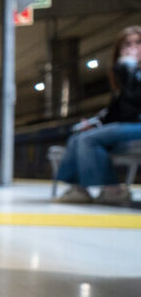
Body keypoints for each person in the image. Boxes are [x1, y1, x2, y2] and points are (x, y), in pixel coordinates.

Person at [54, 26, 141, 204]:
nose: (133, 48)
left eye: (138, 43)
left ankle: (112, 190)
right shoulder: (125, 75)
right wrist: (97, 124)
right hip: (129, 126)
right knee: (80, 136)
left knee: (88, 140)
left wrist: (128, 70)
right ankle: (78, 189)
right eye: (127, 44)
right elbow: (119, 112)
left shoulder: (130, 73)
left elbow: (135, 102)